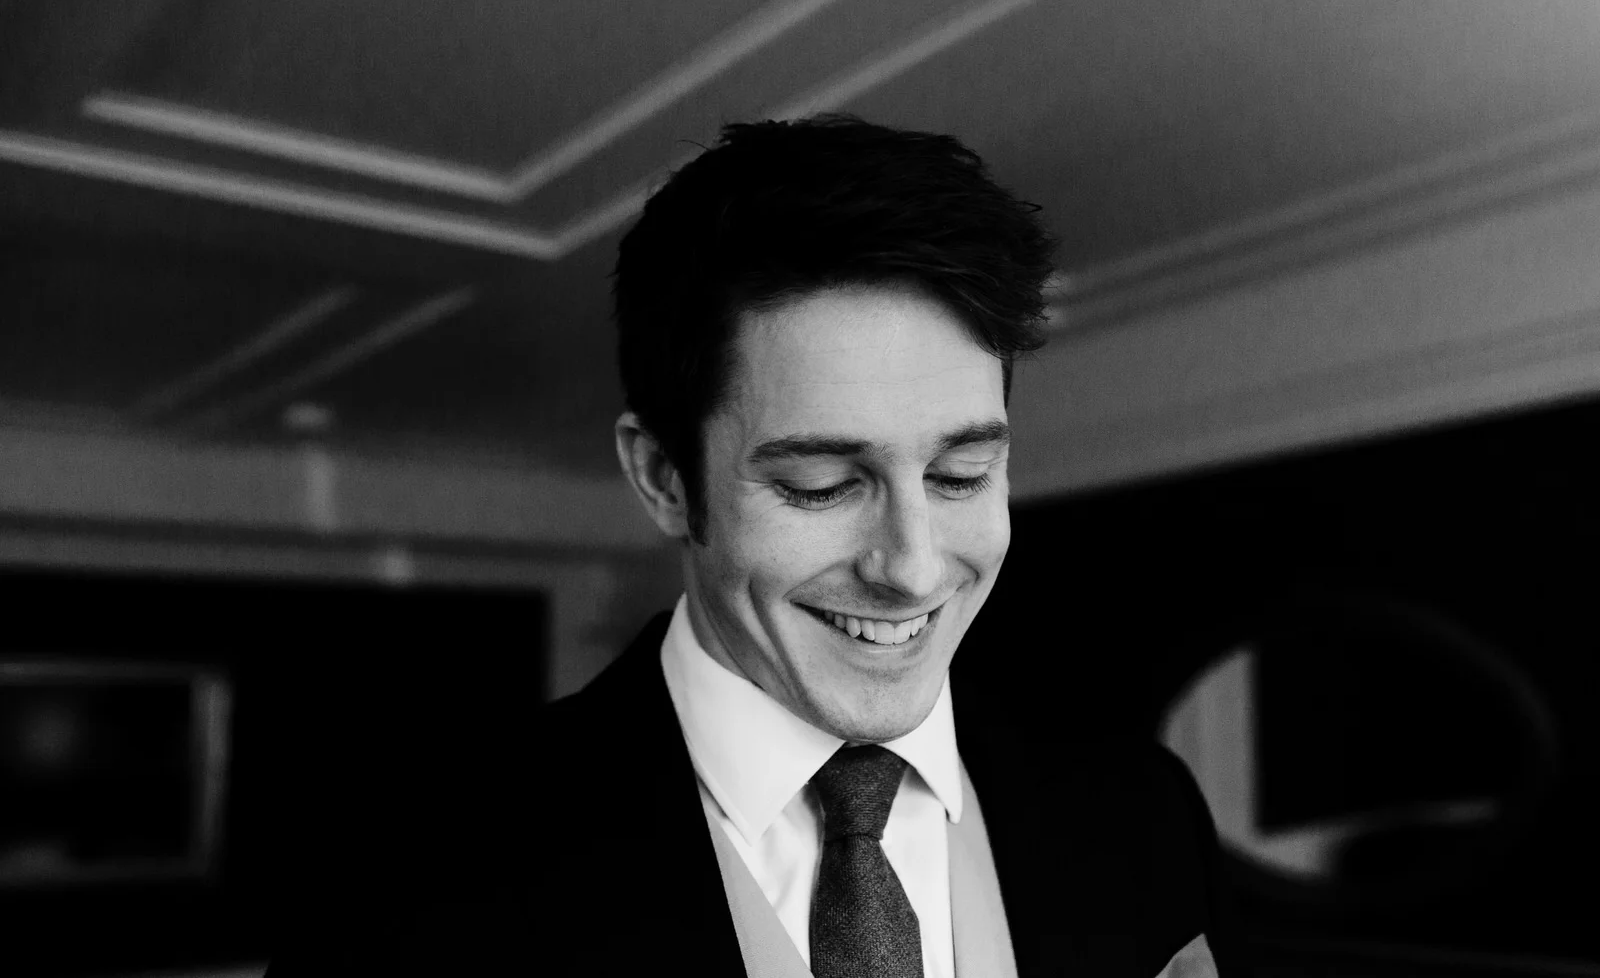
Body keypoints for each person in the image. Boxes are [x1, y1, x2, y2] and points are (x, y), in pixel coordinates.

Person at [266, 115, 1242, 977]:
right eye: (821, 483)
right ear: (663, 476)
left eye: (960, 474)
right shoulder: (408, 883)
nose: (911, 566)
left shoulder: (1141, 810)